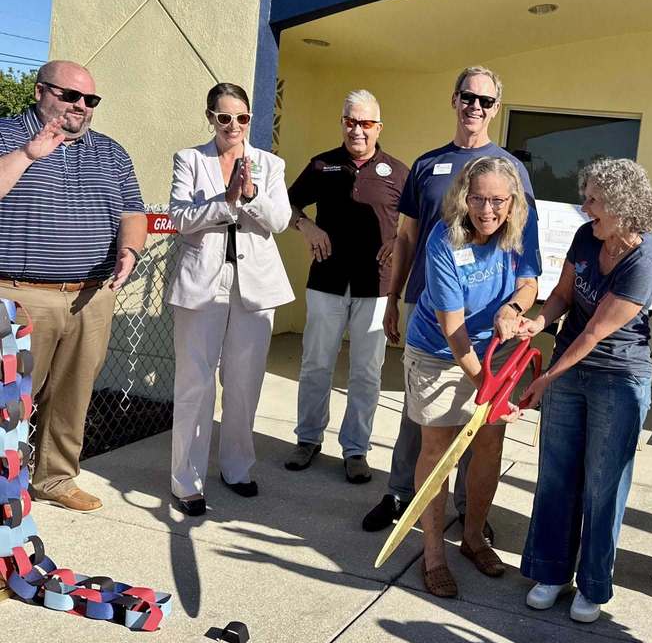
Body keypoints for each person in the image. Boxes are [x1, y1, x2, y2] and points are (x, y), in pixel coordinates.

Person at [361, 65, 541, 542]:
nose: (475, 107)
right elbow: (406, 237)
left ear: (496, 108)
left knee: (476, 431)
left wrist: (517, 309)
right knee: (420, 422)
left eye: (485, 100)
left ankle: (467, 514)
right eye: (468, 97)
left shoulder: (511, 170)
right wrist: (395, 298)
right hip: (433, 309)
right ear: (454, 99)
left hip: (484, 324)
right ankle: (403, 496)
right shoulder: (428, 164)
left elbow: (526, 259)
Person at [517, 158, 652, 623]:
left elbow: (595, 332)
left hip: (617, 378)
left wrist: (545, 379)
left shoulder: (643, 264)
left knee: (604, 483)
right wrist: (538, 320)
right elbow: (562, 296)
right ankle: (551, 572)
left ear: (623, 206)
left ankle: (593, 585)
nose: (585, 207)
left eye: (595, 200)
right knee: (557, 474)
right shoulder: (586, 237)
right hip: (568, 368)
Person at [0, 60, 146, 512]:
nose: (82, 106)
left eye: (90, 100)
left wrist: (131, 250)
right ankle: (6, 488)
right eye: (71, 96)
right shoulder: (7, 135)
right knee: (11, 402)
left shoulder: (110, 152)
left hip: (90, 295)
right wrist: (27, 154)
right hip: (22, 294)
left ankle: (56, 479)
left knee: (73, 395)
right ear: (41, 91)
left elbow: (133, 211)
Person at [404, 156, 538, 597]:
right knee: (439, 449)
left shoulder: (520, 226)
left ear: (512, 200)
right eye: (478, 198)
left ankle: (474, 537)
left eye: (498, 200)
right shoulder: (444, 240)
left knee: (489, 442)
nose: (487, 210)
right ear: (464, 196)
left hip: (494, 348)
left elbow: (529, 283)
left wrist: (512, 307)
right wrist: (488, 387)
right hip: (442, 351)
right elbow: (453, 331)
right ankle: (433, 554)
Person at [166, 82, 294, 516]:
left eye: (242, 118)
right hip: (202, 282)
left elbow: (279, 221)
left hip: (255, 285)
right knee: (194, 384)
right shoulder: (190, 160)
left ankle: (237, 468)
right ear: (210, 118)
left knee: (243, 384)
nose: (234, 126)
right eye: (224, 118)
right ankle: (187, 480)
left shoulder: (270, 164)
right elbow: (180, 218)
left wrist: (252, 196)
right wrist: (226, 201)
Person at [285, 90, 409, 482]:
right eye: (351, 121)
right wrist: (307, 226)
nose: (358, 129)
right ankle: (307, 440)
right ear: (342, 123)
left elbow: (417, 221)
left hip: (376, 287)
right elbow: (286, 205)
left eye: (366, 123)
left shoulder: (398, 172)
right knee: (316, 363)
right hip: (327, 282)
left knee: (366, 372)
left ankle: (356, 450)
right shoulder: (322, 165)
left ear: (379, 128)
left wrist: (398, 239)